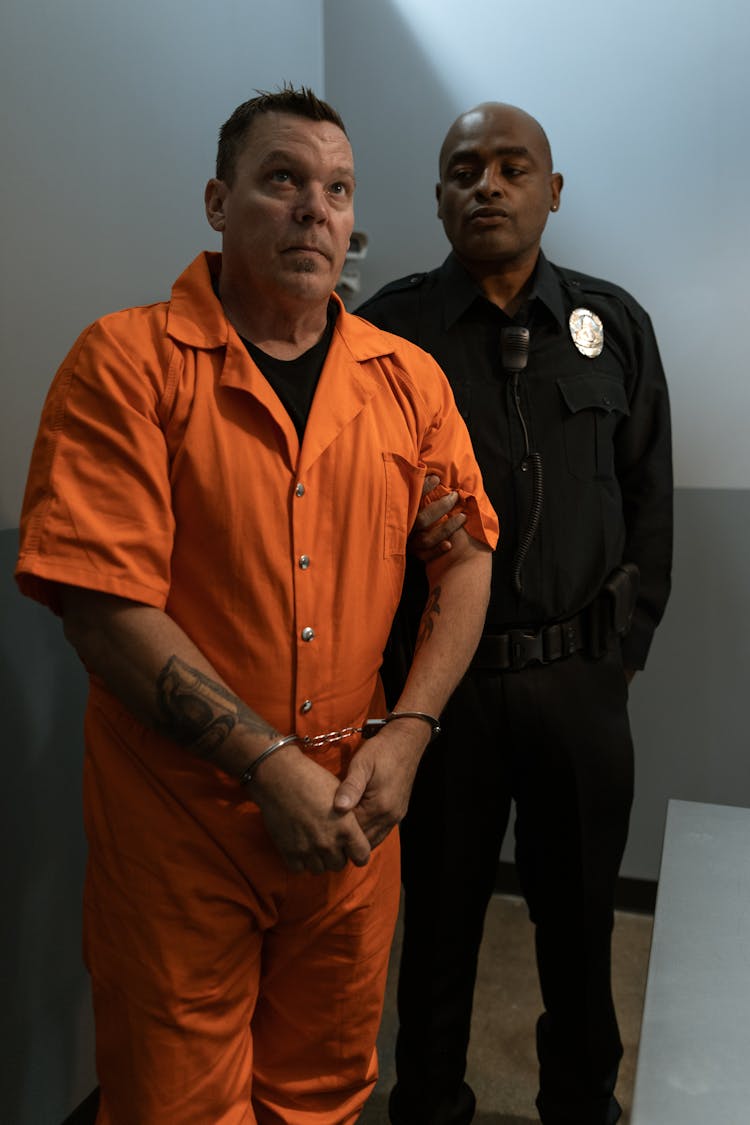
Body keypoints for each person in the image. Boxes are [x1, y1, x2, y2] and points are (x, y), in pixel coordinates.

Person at [15, 87, 498, 1125]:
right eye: (281, 179)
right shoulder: (128, 366)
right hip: (178, 827)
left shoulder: (406, 384)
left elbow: (464, 558)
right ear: (217, 200)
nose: (314, 210)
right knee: (176, 1105)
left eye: (336, 189)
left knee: (323, 1091)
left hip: (353, 816)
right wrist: (265, 764)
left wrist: (410, 731)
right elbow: (101, 607)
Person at [357, 102, 672, 1125]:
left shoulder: (611, 323)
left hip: (580, 687)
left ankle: (581, 1102)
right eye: (464, 169)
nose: (487, 185)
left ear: (553, 190)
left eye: (511, 167)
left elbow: (649, 499)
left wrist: (620, 653)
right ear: (439, 195)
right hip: (440, 692)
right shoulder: (385, 332)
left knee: (580, 923)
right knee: (439, 921)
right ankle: (432, 1102)